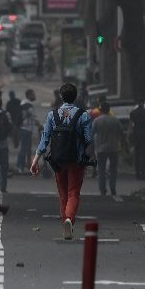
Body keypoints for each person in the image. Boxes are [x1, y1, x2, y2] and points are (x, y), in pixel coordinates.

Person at [31, 83, 94, 240]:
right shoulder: (83, 115)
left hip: (57, 161)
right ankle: (69, 219)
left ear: (61, 96)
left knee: (62, 193)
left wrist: (35, 159)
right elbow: (88, 139)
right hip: (76, 161)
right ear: (75, 97)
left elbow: (44, 139)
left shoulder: (53, 115)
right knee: (74, 192)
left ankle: (64, 221)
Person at [92, 101, 123, 196]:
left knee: (101, 169)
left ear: (101, 110)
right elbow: (121, 133)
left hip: (101, 148)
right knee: (113, 169)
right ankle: (112, 186)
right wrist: (125, 146)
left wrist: (89, 147)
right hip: (114, 148)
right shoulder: (115, 120)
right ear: (109, 110)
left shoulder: (97, 121)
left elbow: (91, 134)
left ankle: (102, 189)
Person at [129, 100, 145, 180]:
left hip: (136, 134)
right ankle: (143, 173)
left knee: (137, 153)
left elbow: (131, 124)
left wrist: (130, 133)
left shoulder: (133, 112)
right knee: (144, 154)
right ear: (143, 103)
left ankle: (137, 173)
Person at [16, 89, 37, 173]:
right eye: (33, 94)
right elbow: (33, 117)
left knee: (27, 148)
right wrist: (40, 125)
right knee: (24, 149)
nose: (35, 96)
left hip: (24, 129)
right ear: (29, 95)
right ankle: (19, 166)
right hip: (26, 129)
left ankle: (26, 165)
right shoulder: (28, 105)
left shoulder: (23, 103)